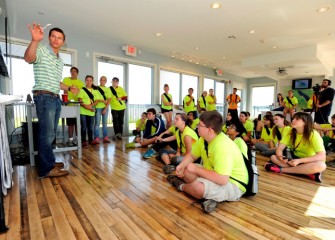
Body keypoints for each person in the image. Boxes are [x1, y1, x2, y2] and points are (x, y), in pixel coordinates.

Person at [24, 23, 78, 178]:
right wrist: (34, 41)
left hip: (55, 98)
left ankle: (49, 162)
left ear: (63, 42)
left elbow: (57, 82)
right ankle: (45, 169)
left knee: (51, 134)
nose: (56, 39)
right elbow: (28, 58)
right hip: (44, 96)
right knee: (46, 135)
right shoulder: (40, 49)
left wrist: (69, 88)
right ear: (49, 38)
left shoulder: (60, 60)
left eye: (59, 38)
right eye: (53, 36)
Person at [167, 111, 248, 213]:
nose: (197, 127)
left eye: (200, 125)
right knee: (187, 170)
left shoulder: (222, 146)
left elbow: (222, 179)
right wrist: (182, 166)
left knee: (198, 188)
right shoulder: (204, 139)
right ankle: (210, 197)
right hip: (216, 175)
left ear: (209, 130)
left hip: (233, 184)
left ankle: (181, 185)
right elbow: (192, 155)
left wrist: (196, 169)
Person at [265, 112, 326, 182]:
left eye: (297, 119)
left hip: (309, 161)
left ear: (305, 122)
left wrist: (300, 161)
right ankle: (306, 173)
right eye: (293, 118)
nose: (293, 120)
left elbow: (321, 156)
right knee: (273, 157)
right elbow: (280, 148)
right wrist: (281, 157)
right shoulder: (290, 132)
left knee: (321, 165)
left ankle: (281, 169)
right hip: (294, 159)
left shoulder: (313, 134)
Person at [62, 67, 84, 146]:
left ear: (77, 73)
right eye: (72, 71)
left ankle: (77, 140)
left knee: (77, 124)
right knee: (70, 124)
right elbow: (65, 90)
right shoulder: (66, 80)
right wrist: (66, 101)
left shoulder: (80, 82)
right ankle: (70, 140)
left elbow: (81, 92)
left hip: (78, 106)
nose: (73, 73)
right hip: (69, 105)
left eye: (75, 71)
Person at [77, 75, 99, 147]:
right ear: (85, 81)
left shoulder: (95, 90)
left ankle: (91, 140)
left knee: (90, 127)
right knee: (83, 127)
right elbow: (80, 100)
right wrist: (88, 107)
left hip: (91, 112)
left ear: (92, 81)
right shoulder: (82, 90)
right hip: (83, 111)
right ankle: (83, 141)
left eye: (90, 80)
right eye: (87, 80)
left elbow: (97, 101)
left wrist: (90, 105)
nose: (89, 82)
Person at [93, 76, 112, 144]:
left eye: (104, 80)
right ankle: (96, 137)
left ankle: (105, 137)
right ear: (99, 81)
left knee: (105, 123)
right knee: (97, 123)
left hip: (105, 108)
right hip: (98, 107)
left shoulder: (108, 89)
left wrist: (105, 109)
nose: (102, 81)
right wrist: (103, 100)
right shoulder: (96, 88)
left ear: (106, 81)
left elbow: (109, 100)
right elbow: (95, 99)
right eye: (101, 80)